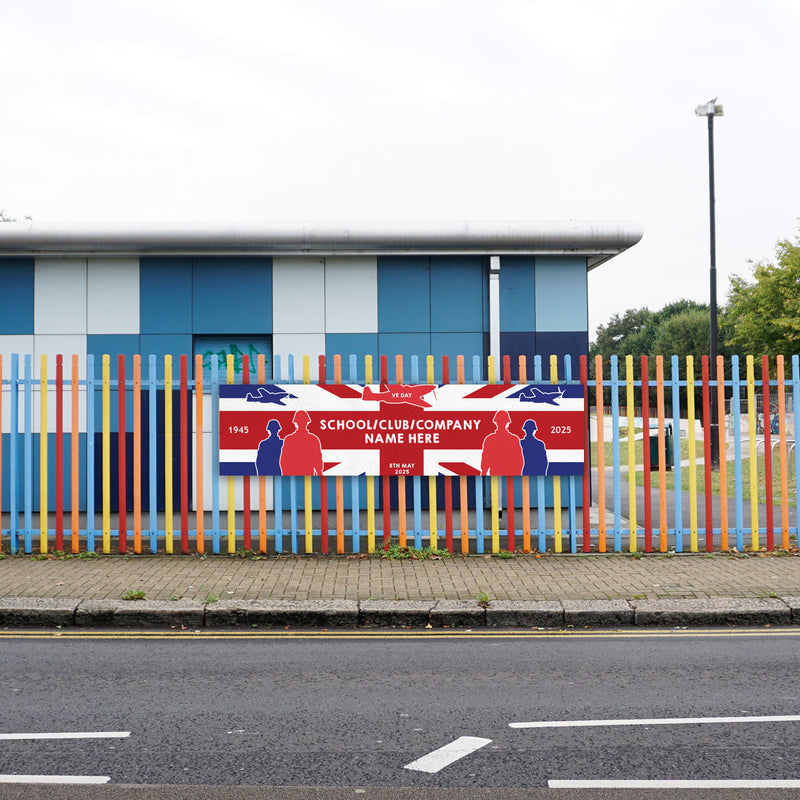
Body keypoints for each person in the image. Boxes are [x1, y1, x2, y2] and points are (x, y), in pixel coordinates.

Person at [279, 410, 324, 476]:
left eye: (302, 421)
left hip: (299, 475)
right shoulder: (313, 439)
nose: (302, 423)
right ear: (307, 422)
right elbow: (284, 460)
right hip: (305, 475)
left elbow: (284, 461)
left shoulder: (289, 439)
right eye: (301, 421)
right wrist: (319, 472)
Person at [480, 409, 523, 475]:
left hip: (501, 474)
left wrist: (484, 472)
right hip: (501, 474)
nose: (501, 423)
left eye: (502, 421)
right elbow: (486, 458)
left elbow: (518, 460)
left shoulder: (490, 439)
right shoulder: (514, 439)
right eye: (500, 421)